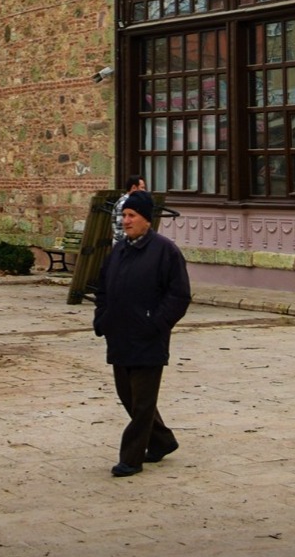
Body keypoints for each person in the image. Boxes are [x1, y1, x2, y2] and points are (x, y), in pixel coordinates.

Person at [93, 189, 190, 477]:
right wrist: (103, 318)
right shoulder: (119, 250)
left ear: (146, 219)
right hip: (119, 337)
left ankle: (131, 458)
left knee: (143, 402)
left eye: (131, 215)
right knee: (130, 398)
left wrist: (155, 324)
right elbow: (102, 289)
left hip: (148, 339)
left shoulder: (165, 251)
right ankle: (162, 441)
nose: (125, 221)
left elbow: (179, 296)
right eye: (123, 215)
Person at [111, 174, 150, 242]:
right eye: (142, 188)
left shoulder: (135, 202)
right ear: (134, 188)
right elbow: (121, 230)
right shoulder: (123, 204)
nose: (144, 191)